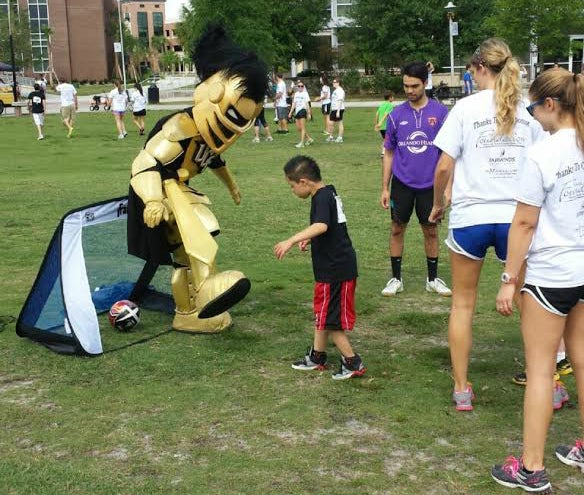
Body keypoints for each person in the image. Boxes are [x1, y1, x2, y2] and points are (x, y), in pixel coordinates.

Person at [127, 23, 268, 334]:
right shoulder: (180, 127)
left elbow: (214, 158)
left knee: (192, 246)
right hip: (160, 193)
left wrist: (231, 184)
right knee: (196, 234)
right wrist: (152, 199)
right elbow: (145, 161)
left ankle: (194, 306)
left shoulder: (206, 136)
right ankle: (197, 299)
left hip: (178, 190)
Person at [429, 38, 546, 412]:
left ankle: (462, 388)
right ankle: (546, 380)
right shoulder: (529, 111)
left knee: (463, 305)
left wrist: (436, 205)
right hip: (518, 221)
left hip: (470, 219)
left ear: (479, 68)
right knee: (530, 304)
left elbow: (444, 166)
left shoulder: (464, 108)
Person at [490, 68, 584, 494]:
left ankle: (531, 468)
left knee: (542, 370)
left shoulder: (544, 153)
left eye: (533, 107)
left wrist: (509, 278)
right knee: (582, 359)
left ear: (550, 105)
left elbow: (525, 222)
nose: (532, 116)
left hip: (550, 276)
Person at [274, 155, 366, 380]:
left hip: (336, 270)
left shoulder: (322, 198)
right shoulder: (328, 192)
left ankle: (352, 362)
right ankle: (317, 356)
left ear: (304, 182)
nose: (293, 190)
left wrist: (292, 240)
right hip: (331, 269)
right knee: (322, 314)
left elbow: (322, 225)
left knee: (331, 321)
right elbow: (330, 227)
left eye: (292, 186)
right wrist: (311, 238)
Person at [380, 62, 451, 297]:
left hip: (431, 185)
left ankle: (432, 279)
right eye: (405, 86)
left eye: (414, 86)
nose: (409, 90)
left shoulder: (441, 114)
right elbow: (389, 152)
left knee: (430, 230)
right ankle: (395, 279)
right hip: (401, 183)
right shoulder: (395, 115)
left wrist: (448, 188)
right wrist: (384, 187)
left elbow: (448, 155)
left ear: (425, 83)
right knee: (397, 228)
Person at [288, 80, 313, 148]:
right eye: (299, 86)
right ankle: (309, 139)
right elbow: (294, 104)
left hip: (303, 110)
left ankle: (302, 143)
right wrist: (290, 112)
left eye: (301, 86)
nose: (300, 87)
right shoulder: (296, 94)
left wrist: (309, 113)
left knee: (303, 127)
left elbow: (307, 104)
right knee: (299, 128)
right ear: (297, 87)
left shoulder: (305, 94)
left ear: (303, 87)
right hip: (297, 111)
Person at [374, 90, 394, 156]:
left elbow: (377, 114)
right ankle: (384, 152)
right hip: (386, 126)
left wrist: (376, 124)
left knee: (386, 139)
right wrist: (380, 123)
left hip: (381, 127)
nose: (393, 98)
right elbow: (385, 114)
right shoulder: (390, 105)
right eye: (393, 97)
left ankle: (385, 151)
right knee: (388, 139)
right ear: (390, 97)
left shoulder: (382, 104)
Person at [326, 78, 345, 143]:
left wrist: (338, 111)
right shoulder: (335, 91)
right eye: (333, 82)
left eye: (334, 82)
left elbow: (340, 101)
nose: (333, 83)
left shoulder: (340, 91)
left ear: (338, 83)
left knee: (340, 123)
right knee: (330, 123)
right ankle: (331, 137)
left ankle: (340, 138)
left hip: (338, 109)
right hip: (334, 109)